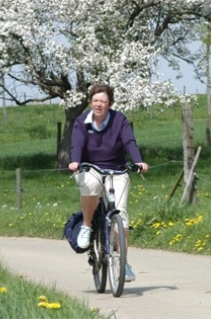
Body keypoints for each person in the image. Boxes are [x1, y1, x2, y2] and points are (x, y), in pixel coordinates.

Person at [68, 83, 148, 282]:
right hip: (90, 167)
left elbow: (129, 141)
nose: (98, 104)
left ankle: (124, 263)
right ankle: (87, 225)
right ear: (91, 102)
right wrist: (75, 161)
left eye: (103, 101)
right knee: (91, 185)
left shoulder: (119, 120)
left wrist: (138, 161)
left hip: (117, 169)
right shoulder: (82, 121)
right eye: (95, 100)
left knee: (121, 213)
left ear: (109, 103)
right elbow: (77, 142)